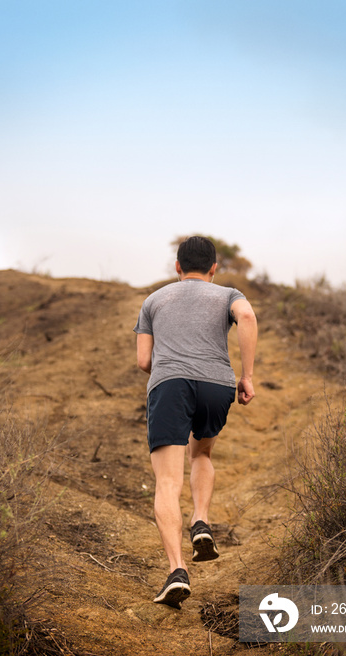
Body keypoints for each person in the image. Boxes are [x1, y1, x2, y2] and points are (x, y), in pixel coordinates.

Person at [134, 235, 257, 609]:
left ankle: (177, 571)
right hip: (217, 385)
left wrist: (172, 372)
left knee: (167, 480)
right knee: (201, 455)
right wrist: (247, 376)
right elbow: (248, 317)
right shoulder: (228, 294)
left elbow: (143, 362)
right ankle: (200, 521)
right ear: (214, 268)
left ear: (177, 267)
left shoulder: (153, 300)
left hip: (170, 385)